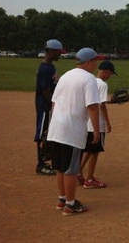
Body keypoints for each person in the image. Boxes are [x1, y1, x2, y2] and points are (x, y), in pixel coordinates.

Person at [47, 48, 102, 216]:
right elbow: (92, 106)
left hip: (56, 128)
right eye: (94, 61)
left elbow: (54, 102)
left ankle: (62, 199)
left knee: (60, 167)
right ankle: (70, 204)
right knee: (71, 168)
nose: (96, 64)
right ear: (87, 62)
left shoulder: (65, 76)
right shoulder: (89, 79)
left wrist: (54, 123)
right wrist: (97, 131)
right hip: (72, 129)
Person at [78, 60, 117, 189]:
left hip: (87, 122)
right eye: (111, 74)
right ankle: (89, 179)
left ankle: (78, 172)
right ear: (106, 72)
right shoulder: (103, 85)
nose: (110, 77)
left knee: (89, 149)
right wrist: (108, 123)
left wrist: (112, 100)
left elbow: (96, 101)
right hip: (97, 123)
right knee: (94, 152)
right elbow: (102, 105)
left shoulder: (91, 81)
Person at [34, 39, 64, 176]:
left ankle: (46, 161)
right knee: (43, 135)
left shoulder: (50, 66)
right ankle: (40, 165)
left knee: (48, 134)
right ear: (51, 52)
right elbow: (46, 90)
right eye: (58, 52)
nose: (60, 55)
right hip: (45, 107)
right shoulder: (45, 69)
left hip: (48, 106)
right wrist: (54, 104)